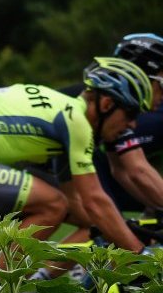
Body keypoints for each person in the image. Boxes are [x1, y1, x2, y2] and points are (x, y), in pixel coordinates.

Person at [0, 57, 155, 253]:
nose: (132, 126)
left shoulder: (58, 116)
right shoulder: (75, 119)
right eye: (131, 115)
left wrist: (117, 229)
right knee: (52, 204)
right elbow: (94, 201)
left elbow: (83, 207)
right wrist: (140, 255)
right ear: (107, 104)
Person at [57, 34, 163, 247]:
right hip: (50, 154)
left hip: (69, 156)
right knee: (102, 222)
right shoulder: (121, 105)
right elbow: (137, 170)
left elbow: (122, 171)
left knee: (109, 224)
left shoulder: (117, 101)